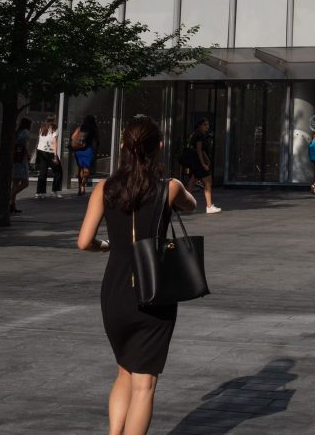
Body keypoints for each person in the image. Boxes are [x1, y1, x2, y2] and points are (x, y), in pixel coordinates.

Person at [77, 117, 198, 435]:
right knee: (144, 383)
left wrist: (106, 247)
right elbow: (192, 205)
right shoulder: (169, 187)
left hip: (114, 292)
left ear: (123, 147)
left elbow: (83, 241)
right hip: (154, 289)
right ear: (158, 147)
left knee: (124, 372)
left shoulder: (104, 188)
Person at [179, 117, 221, 214]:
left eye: (208, 125)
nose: (207, 127)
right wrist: (203, 164)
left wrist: (207, 161)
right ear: (199, 126)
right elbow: (199, 151)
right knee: (208, 181)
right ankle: (209, 206)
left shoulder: (197, 135)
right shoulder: (199, 136)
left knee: (192, 182)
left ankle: (184, 205)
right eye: (205, 125)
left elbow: (202, 150)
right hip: (197, 161)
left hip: (194, 161)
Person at [35, 118, 64, 199]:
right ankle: (55, 191)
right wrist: (55, 155)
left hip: (41, 151)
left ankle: (39, 192)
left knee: (43, 172)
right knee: (58, 171)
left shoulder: (42, 128)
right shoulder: (54, 128)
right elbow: (54, 142)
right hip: (50, 152)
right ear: (53, 121)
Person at [73, 113, 100, 195]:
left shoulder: (80, 127)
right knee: (86, 169)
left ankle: (80, 186)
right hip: (88, 150)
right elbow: (96, 141)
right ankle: (83, 185)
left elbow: (73, 137)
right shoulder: (94, 129)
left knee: (80, 168)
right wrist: (95, 151)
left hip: (79, 150)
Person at [11, 117, 32, 213]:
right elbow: (26, 146)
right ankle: (9, 196)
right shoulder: (26, 133)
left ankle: (12, 205)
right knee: (25, 183)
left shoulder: (17, 133)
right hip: (21, 160)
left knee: (15, 183)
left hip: (15, 159)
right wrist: (28, 156)